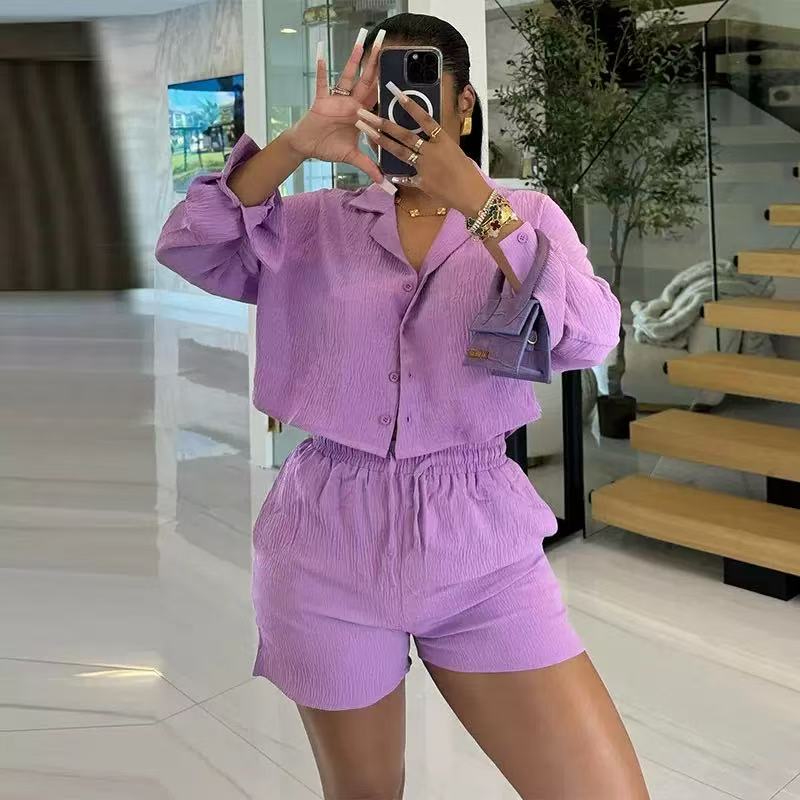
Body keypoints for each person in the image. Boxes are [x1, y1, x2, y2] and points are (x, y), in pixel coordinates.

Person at [156, 12, 649, 800]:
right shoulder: (313, 224)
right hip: (326, 538)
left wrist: (480, 204)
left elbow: (591, 336)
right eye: (378, 93)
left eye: (418, 89)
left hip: (481, 544)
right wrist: (293, 147)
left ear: (464, 105)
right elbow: (190, 244)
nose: (396, 109)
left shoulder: (525, 216)